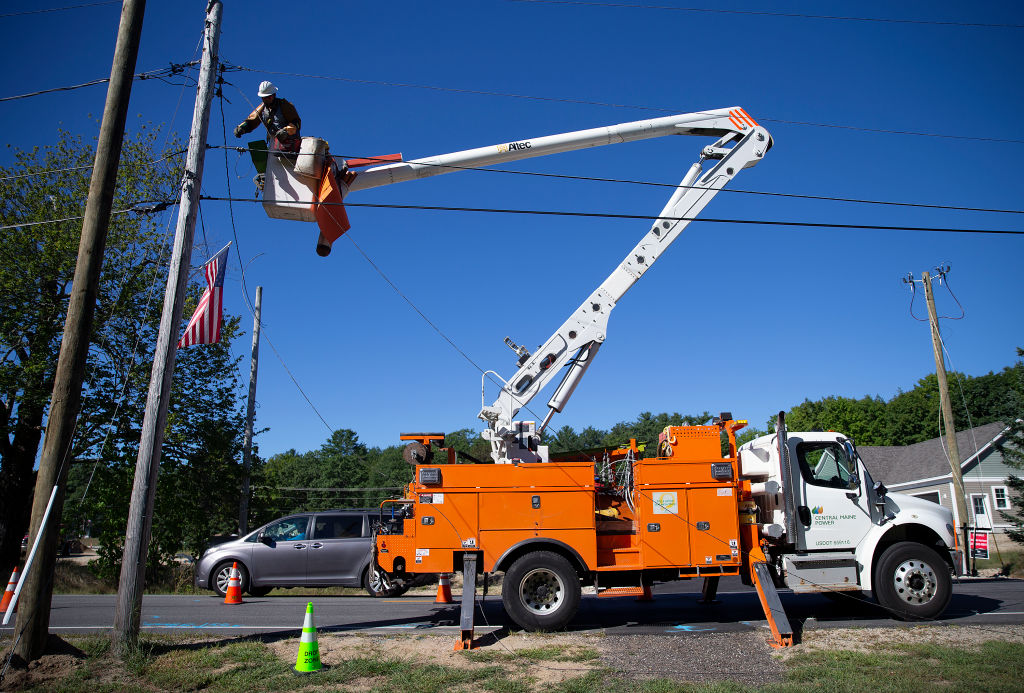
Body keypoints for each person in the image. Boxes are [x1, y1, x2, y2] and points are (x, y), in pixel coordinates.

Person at [234, 81, 301, 153]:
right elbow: (252, 120)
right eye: (264, 98)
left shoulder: (284, 105)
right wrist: (241, 128)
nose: (266, 99)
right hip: (274, 144)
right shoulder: (262, 108)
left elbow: (296, 123)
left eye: (269, 97)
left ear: (274, 95)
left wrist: (286, 131)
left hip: (291, 145)